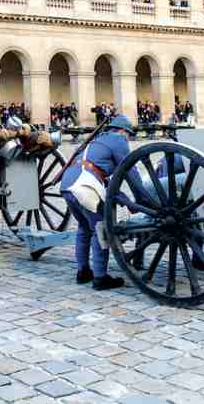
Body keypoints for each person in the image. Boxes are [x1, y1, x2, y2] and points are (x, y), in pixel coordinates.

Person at [60, 115, 151, 290]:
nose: (128, 139)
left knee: (84, 228)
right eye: (129, 135)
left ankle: (83, 271)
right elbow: (129, 170)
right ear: (122, 131)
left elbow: (102, 178)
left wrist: (124, 199)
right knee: (101, 229)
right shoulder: (118, 140)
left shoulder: (97, 141)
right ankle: (100, 278)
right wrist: (143, 199)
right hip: (85, 186)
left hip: (69, 185)